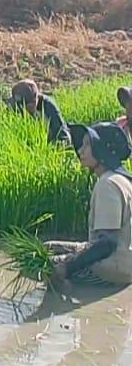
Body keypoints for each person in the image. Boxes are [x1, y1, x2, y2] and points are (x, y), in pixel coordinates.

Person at [47, 122, 132, 288]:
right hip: (126, 262)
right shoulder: (123, 180)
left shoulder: (107, 184)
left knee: (44, 264)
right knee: (49, 247)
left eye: (87, 145)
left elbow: (107, 244)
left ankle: (64, 297)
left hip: (113, 270)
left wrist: (67, 268)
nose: (80, 151)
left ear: (100, 150)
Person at [8, 79, 71, 146]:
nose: (28, 110)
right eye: (25, 106)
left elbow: (61, 132)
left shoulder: (48, 106)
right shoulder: (15, 107)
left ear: (36, 98)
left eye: (31, 105)